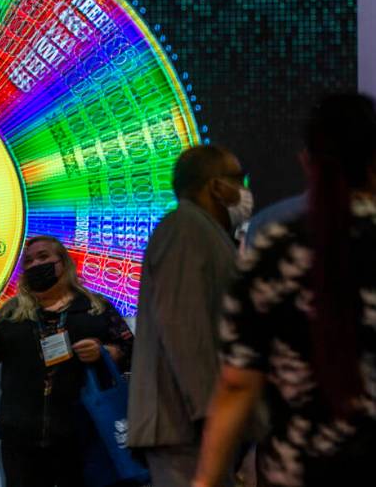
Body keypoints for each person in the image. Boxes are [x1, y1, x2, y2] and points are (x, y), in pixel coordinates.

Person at [194, 93, 376, 487]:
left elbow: (238, 381)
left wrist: (207, 479)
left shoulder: (274, 243)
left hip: (300, 467)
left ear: (307, 163)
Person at [0, 236, 134, 487]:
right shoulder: (13, 312)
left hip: (83, 437)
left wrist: (105, 351)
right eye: (28, 261)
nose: (34, 265)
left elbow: (132, 351)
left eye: (43, 258)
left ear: (63, 263)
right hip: (21, 438)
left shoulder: (95, 308)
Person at [127, 144, 254, 486]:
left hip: (193, 426)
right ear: (215, 186)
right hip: (186, 426)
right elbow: (184, 329)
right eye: (238, 180)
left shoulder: (207, 232)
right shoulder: (185, 229)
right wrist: (213, 415)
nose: (244, 190)